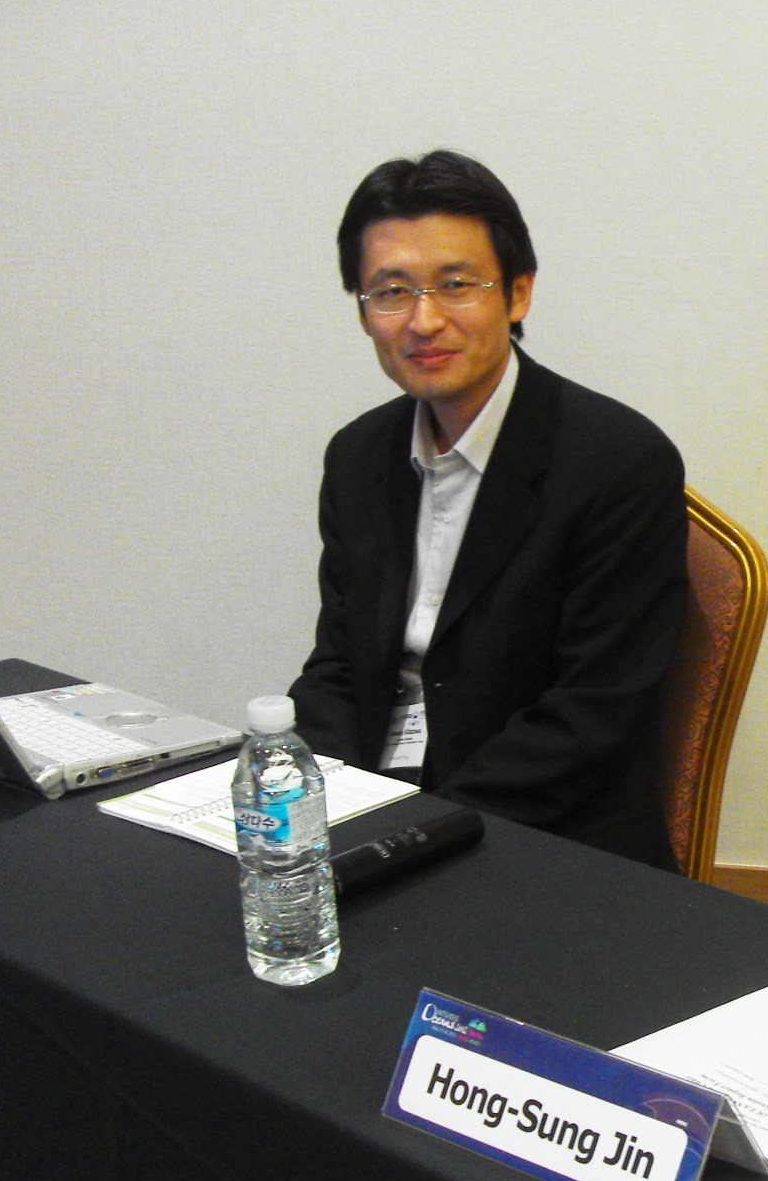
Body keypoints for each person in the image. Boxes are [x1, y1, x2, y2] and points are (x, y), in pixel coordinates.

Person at [289, 150, 688, 870]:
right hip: (379, 810)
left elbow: (591, 715)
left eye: (456, 285)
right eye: (391, 292)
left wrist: (415, 836)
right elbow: (338, 670)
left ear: (518, 293)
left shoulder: (619, 462)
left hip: (546, 837)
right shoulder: (358, 456)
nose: (424, 320)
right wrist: (322, 807)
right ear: (363, 310)